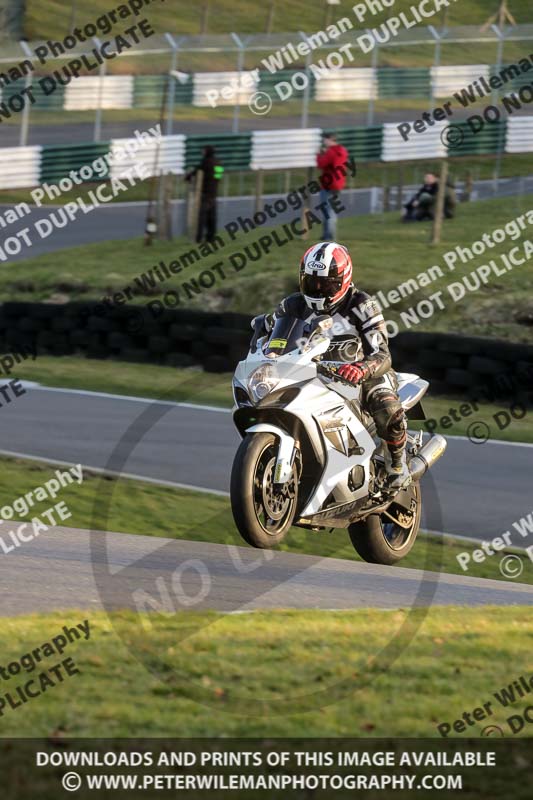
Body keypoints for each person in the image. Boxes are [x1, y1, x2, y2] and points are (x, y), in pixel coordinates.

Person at [264, 241, 410, 488]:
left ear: (343, 279)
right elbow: (272, 339)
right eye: (312, 281)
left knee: (384, 403)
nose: (318, 288)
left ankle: (397, 463)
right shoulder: (292, 305)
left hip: (363, 373)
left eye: (326, 282)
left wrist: (362, 368)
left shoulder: (362, 305)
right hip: (312, 371)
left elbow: (382, 354)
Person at [185, 145, 224, 243]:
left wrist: (187, 177)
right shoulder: (218, 163)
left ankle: (198, 237)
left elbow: (196, 171)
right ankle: (211, 237)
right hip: (213, 192)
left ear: (207, 152)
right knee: (212, 217)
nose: (202, 152)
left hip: (204, 192)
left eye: (203, 151)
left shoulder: (205, 162)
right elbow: (219, 176)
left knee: (201, 217)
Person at [316, 133, 348, 241]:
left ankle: (328, 235)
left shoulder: (331, 152)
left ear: (330, 140)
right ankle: (330, 234)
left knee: (327, 211)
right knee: (332, 210)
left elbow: (321, 164)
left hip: (328, 184)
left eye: (325, 140)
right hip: (338, 183)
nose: (324, 142)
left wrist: (319, 155)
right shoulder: (342, 150)